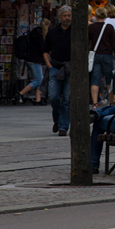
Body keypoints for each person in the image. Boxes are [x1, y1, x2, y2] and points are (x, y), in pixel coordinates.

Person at [43, 7, 73, 136]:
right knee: (54, 97)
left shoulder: (75, 32)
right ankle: (57, 120)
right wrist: (49, 65)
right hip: (55, 66)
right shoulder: (52, 32)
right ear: (59, 17)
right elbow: (45, 50)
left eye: (69, 15)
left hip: (70, 68)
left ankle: (63, 127)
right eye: (65, 16)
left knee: (67, 99)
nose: (67, 18)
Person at [88, 6, 115, 107]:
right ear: (105, 15)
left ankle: (94, 103)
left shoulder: (91, 27)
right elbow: (114, 44)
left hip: (95, 55)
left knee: (95, 79)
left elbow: (87, 42)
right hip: (107, 55)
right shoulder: (109, 27)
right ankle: (111, 102)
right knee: (109, 79)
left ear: (96, 16)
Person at [17, 19, 47, 105]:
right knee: (38, 80)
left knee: (37, 78)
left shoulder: (33, 33)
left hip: (29, 59)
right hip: (35, 60)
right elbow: (43, 49)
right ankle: (21, 93)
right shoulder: (40, 36)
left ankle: (38, 99)